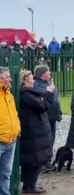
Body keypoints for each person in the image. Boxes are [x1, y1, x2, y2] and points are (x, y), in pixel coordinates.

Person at [19, 70, 54, 194]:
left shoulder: (29, 94)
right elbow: (42, 106)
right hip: (32, 132)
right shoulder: (26, 95)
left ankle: (30, 185)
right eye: (30, 79)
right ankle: (29, 187)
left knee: (35, 160)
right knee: (34, 161)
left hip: (35, 131)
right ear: (25, 81)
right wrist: (49, 93)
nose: (33, 81)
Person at [32, 64, 62, 172]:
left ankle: (47, 159)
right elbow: (43, 100)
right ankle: (44, 161)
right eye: (48, 70)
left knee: (51, 138)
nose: (50, 72)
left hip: (52, 116)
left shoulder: (48, 83)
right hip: (44, 117)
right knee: (44, 139)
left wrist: (59, 112)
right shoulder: (36, 86)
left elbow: (55, 99)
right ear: (42, 74)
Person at [0, 67, 21, 195]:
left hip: (11, 140)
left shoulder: (9, 95)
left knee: (6, 173)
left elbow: (13, 115)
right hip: (1, 139)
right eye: (8, 77)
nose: (10, 79)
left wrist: (17, 129)